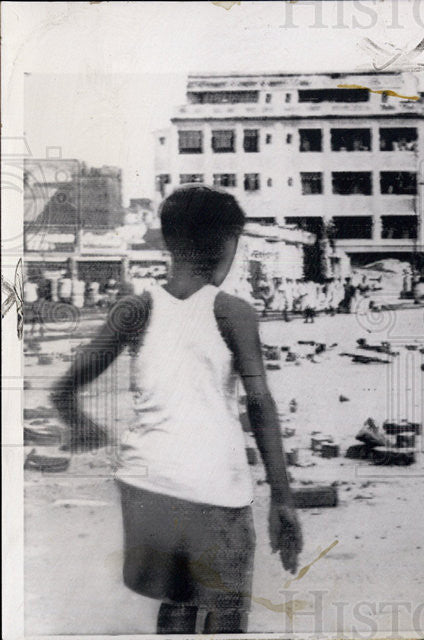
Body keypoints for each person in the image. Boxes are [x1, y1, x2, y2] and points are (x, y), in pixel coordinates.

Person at [51, 185, 302, 634]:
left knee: (178, 604)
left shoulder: (136, 309)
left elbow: (65, 387)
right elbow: (260, 403)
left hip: (148, 489)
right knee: (225, 613)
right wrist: (282, 499)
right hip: (215, 491)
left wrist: (80, 423)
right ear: (229, 246)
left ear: (167, 243)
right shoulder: (233, 312)